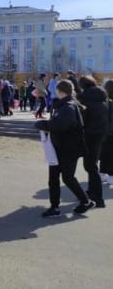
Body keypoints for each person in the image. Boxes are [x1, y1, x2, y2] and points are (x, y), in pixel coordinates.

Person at [35, 80, 95, 217]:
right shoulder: (66, 105)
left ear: (60, 91)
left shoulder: (68, 106)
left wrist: (42, 124)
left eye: (56, 90)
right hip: (60, 148)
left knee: (67, 177)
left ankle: (86, 201)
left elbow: (60, 125)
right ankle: (55, 207)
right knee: (54, 178)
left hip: (68, 149)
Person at [76, 75, 109, 208]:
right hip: (101, 134)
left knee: (90, 166)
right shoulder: (102, 96)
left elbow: (82, 119)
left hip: (89, 134)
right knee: (92, 164)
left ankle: (99, 199)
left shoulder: (84, 98)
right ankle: (91, 191)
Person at [99, 79, 113, 184]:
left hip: (104, 132)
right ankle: (111, 175)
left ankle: (102, 173)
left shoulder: (104, 102)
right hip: (110, 132)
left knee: (104, 153)